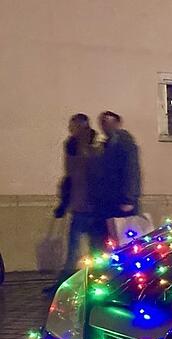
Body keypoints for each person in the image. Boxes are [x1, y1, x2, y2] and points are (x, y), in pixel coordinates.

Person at [45, 114, 107, 293]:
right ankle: (67, 284)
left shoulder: (94, 148)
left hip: (93, 208)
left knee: (95, 249)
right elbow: (71, 178)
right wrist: (65, 202)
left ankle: (95, 282)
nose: (71, 130)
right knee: (75, 250)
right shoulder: (72, 146)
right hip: (79, 206)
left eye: (74, 127)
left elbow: (95, 179)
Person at [97, 111, 141, 218]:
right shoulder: (108, 143)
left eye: (107, 122)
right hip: (110, 199)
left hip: (121, 200)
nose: (104, 126)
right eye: (103, 122)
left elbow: (131, 169)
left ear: (117, 124)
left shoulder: (124, 142)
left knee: (124, 231)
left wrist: (128, 199)